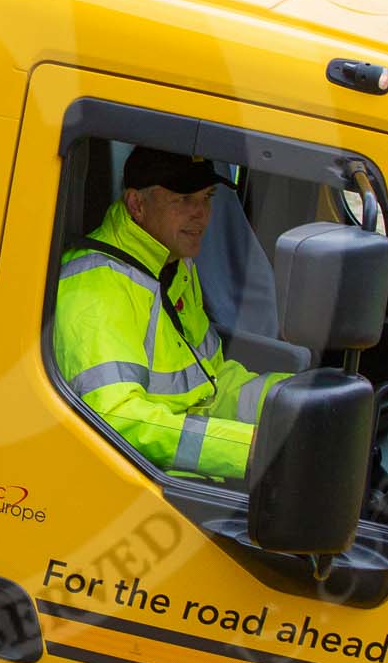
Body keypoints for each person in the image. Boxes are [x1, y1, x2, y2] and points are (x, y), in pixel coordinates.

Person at [54, 148, 285, 480]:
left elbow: (212, 383)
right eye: (184, 199)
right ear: (137, 205)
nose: (201, 215)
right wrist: (246, 449)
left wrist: (290, 403)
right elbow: (114, 418)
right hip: (135, 489)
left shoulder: (173, 265)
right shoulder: (95, 287)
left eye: (206, 197)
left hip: (179, 479)